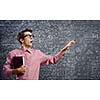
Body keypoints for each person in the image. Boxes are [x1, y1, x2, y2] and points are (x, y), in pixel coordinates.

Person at [3, 28, 75, 80]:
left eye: (32, 36)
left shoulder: (37, 53)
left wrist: (63, 50)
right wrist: (16, 71)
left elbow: (53, 59)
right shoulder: (13, 53)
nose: (31, 38)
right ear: (21, 40)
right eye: (28, 36)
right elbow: (5, 71)